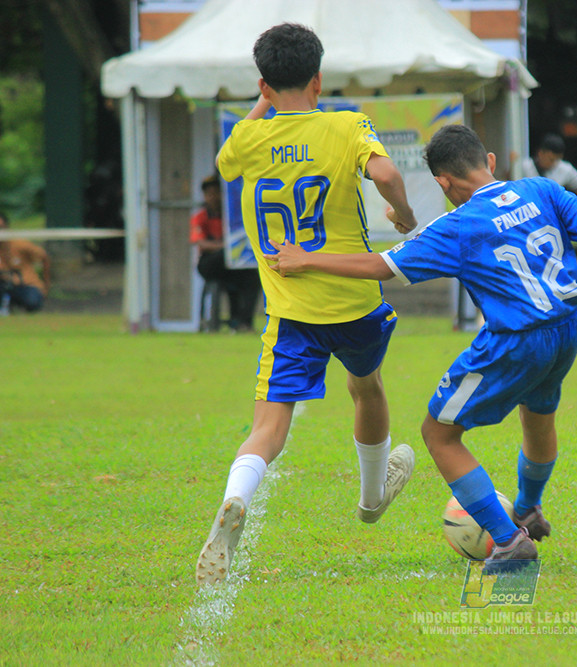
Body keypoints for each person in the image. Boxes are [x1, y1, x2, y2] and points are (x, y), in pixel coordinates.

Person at [265, 124, 577, 571]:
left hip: (516, 338)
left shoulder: (457, 225)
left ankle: (509, 539)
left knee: (438, 433)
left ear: (443, 183)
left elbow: (380, 266)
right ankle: (528, 507)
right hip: (568, 324)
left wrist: (306, 258)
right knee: (538, 412)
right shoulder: (541, 190)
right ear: (489, 161)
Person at [196, 22, 419, 586]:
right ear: (319, 78)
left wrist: (263, 102)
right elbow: (388, 172)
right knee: (365, 386)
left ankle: (234, 499)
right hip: (356, 301)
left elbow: (225, 162)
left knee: (269, 427)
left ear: (264, 85)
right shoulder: (346, 126)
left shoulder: (248, 140)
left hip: (293, 310)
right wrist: (405, 217)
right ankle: (372, 498)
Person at [189, 173, 261, 332]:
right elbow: (200, 242)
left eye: (217, 193)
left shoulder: (232, 215)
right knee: (224, 255)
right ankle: (208, 321)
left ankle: (244, 322)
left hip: (232, 264)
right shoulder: (200, 216)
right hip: (210, 263)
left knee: (254, 276)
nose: (213, 197)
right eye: (210, 194)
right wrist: (225, 246)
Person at [0, 211, 51, 313]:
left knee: (32, 302)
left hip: (25, 285)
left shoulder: (20, 244)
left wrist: (46, 285)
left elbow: (44, 256)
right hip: (3, 285)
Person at [521, 133, 577, 201]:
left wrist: (573, 210)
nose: (554, 163)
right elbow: (511, 182)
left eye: (557, 159)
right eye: (551, 159)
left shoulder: (565, 168)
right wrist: (513, 164)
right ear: (540, 153)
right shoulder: (526, 165)